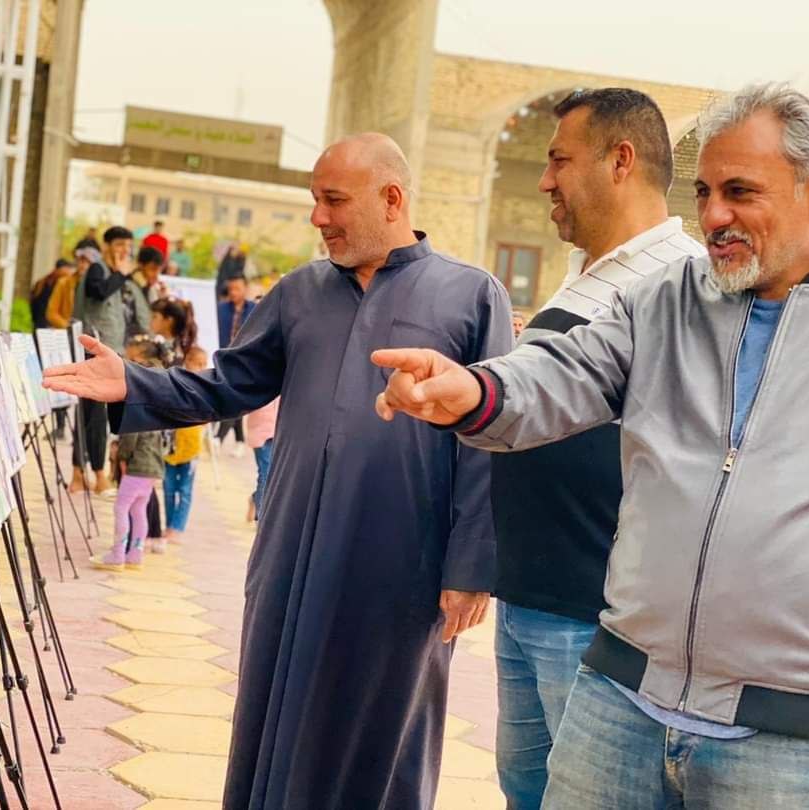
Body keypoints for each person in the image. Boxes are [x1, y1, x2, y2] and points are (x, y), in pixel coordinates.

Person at [374, 84, 809, 809]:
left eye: (740, 192)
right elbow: (564, 372)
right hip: (622, 698)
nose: (713, 216)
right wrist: (474, 390)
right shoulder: (668, 298)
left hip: (799, 734)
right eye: (705, 191)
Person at [43, 131, 512, 809]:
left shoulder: (472, 296)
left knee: (387, 729)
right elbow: (227, 386)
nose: (318, 217)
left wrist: (471, 569)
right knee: (276, 715)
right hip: (292, 551)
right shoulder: (298, 294)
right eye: (314, 200)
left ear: (391, 199)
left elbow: (490, 439)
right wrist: (134, 384)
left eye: (333, 200)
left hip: (403, 563)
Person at [489, 89, 705, 807]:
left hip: (598, 622)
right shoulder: (584, 275)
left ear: (620, 161)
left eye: (559, 161)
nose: (544, 181)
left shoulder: (687, 286)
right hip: (528, 599)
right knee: (527, 791)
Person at [91, 335, 167, 571]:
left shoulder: (137, 408)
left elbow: (130, 439)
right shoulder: (160, 409)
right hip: (153, 469)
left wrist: (121, 456)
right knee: (138, 510)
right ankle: (136, 554)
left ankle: (117, 554)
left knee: (121, 508)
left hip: (136, 468)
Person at [70, 225, 136, 495]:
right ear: (107, 246)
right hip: (95, 350)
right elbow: (98, 292)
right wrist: (120, 274)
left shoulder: (112, 273)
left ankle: (78, 474)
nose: (124, 251)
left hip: (107, 350)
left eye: (128, 246)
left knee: (89, 414)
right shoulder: (98, 269)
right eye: (119, 245)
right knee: (96, 414)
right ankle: (98, 475)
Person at [157, 345, 209, 550]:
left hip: (191, 447)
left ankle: (177, 528)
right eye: (198, 364)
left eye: (204, 364)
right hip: (170, 446)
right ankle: (169, 525)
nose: (202, 368)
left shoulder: (206, 387)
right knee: (169, 488)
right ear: (187, 362)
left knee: (185, 490)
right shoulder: (177, 382)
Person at [215, 277, 255, 456]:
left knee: (234, 398)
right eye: (230, 289)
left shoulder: (254, 309)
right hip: (223, 358)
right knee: (234, 398)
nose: (233, 293)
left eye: (237, 288)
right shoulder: (221, 308)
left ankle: (218, 437)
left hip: (244, 360)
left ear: (245, 289)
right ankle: (239, 441)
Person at [246, 397, 279, 522]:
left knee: (275, 476)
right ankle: (261, 521)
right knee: (266, 475)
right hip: (262, 432)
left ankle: (256, 498)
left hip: (282, 433)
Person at [47, 246, 95, 329]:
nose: (84, 265)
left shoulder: (96, 287)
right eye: (81, 260)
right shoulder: (63, 283)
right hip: (67, 330)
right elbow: (51, 313)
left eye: (88, 262)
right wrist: (68, 326)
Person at [149, 298, 198, 362]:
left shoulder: (170, 353)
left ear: (169, 321)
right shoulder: (171, 348)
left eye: (154, 317)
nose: (150, 321)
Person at [31, 258, 73, 329]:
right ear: (59, 269)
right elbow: (34, 299)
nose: (68, 273)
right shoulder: (45, 282)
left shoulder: (46, 280)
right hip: (44, 320)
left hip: (46, 320)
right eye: (66, 269)